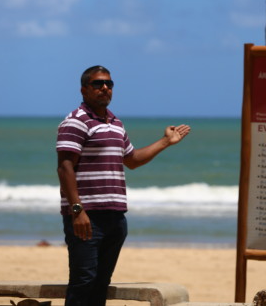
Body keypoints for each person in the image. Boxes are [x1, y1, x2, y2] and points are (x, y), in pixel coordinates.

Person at [56, 65, 191, 306]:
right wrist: (77, 211)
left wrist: (166, 142)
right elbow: (64, 167)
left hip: (115, 217)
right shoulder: (76, 122)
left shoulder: (115, 123)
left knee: (100, 283)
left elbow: (132, 160)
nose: (105, 88)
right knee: (83, 280)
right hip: (86, 217)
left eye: (109, 84)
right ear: (84, 89)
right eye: (98, 84)